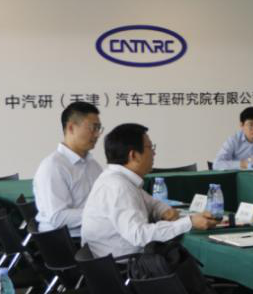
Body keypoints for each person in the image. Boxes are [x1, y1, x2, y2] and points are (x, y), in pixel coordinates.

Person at [81, 123, 218, 258]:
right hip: (123, 266)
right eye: (150, 147)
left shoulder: (119, 178)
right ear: (134, 155)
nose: (154, 153)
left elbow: (151, 202)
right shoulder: (118, 186)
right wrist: (189, 222)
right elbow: (139, 235)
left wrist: (164, 211)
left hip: (121, 260)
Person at [33, 101, 105, 236]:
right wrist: (102, 214)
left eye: (99, 128)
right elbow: (58, 218)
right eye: (93, 128)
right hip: (68, 241)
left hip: (94, 234)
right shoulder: (53, 167)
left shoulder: (92, 164)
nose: (97, 135)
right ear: (71, 128)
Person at [211, 106, 253, 170]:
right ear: (242, 125)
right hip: (238, 176)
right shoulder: (233, 140)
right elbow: (217, 164)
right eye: (250, 124)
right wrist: (244, 164)